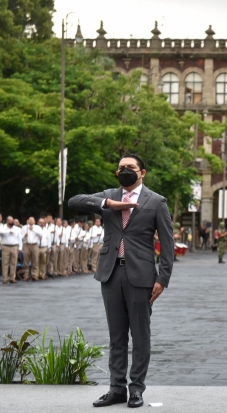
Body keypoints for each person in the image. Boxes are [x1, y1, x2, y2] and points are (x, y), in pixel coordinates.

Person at [68, 153, 174, 409]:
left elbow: (167, 243)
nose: (126, 170)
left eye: (131, 167)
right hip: (111, 273)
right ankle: (117, 389)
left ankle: (136, 389)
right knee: (116, 337)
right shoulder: (109, 195)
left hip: (142, 275)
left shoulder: (156, 201)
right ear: (117, 173)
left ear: (143, 172)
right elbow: (73, 201)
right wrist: (109, 204)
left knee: (140, 336)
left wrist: (163, 278)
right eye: (121, 168)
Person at [0, 216, 22, 284]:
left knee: (13, 263)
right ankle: (5, 278)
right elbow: (0, 232)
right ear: (7, 221)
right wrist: (8, 231)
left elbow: (19, 238)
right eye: (10, 221)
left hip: (14, 246)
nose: (12, 222)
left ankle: (12, 277)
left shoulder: (17, 229)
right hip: (6, 246)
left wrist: (20, 247)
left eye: (12, 221)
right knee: (5, 263)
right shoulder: (3, 227)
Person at [20, 216, 43, 281]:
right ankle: (26, 275)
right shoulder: (24, 227)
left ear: (34, 221)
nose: (31, 221)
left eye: (32, 220)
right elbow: (20, 237)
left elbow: (41, 235)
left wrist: (33, 229)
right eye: (30, 220)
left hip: (34, 244)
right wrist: (24, 235)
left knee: (35, 260)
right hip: (26, 244)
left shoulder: (37, 227)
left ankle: (34, 275)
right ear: (28, 221)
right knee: (26, 260)